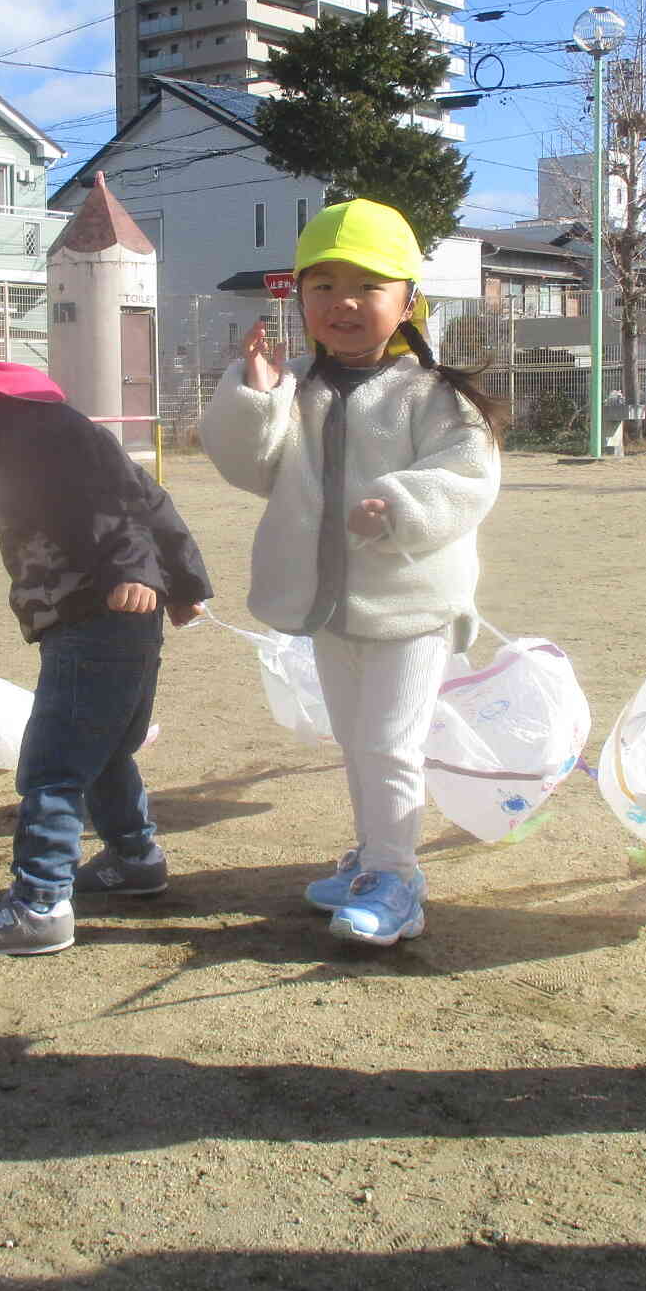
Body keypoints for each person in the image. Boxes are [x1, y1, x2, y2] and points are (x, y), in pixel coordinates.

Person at [200, 199, 503, 946]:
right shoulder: (297, 385)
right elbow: (252, 465)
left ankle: (398, 880)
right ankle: (372, 856)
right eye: (323, 284)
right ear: (300, 298)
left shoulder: (431, 395)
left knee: (391, 744)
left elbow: (470, 478)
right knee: (356, 738)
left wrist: (398, 505)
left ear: (408, 301)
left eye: (367, 285)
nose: (343, 302)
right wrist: (258, 393)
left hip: (410, 606)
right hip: (327, 604)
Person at [0, 323, 212, 956]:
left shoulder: (45, 438)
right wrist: (184, 579)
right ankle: (135, 858)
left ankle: (39, 902)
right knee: (106, 749)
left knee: (53, 763)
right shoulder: (27, 437)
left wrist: (136, 571)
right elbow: (150, 498)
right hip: (108, 618)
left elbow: (116, 503)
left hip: (97, 618)